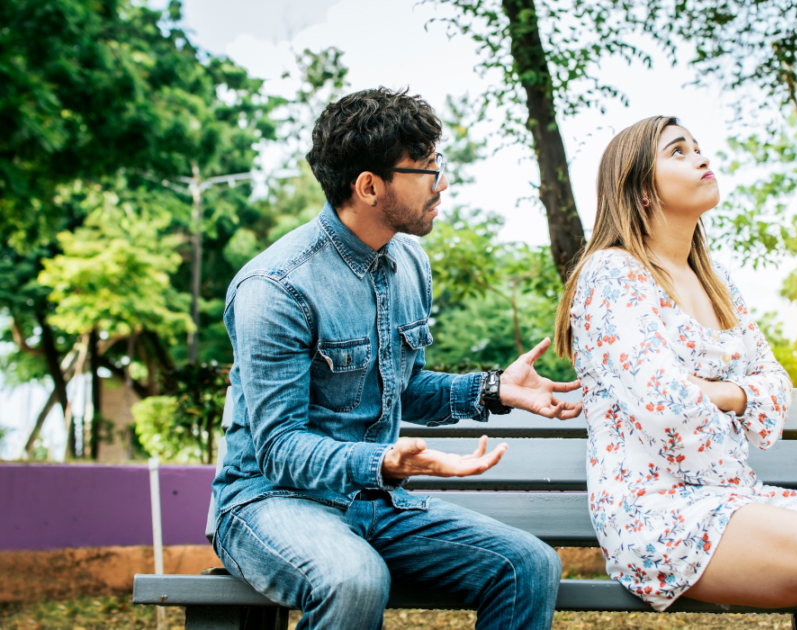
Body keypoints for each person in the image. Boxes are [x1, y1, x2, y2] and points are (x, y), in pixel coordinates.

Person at [211, 87, 583, 630]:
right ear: (369, 186)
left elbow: (401, 386)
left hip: (373, 501)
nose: (442, 182)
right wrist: (381, 463)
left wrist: (494, 389)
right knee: (355, 580)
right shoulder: (277, 288)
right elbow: (279, 451)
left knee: (527, 565)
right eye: (426, 169)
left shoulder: (409, 261)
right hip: (267, 502)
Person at [554, 115, 797, 627]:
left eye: (697, 146)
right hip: (658, 514)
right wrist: (731, 391)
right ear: (640, 190)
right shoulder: (612, 273)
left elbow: (776, 385)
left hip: (735, 495)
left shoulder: (716, 283)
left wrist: (727, 394)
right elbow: (663, 403)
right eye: (677, 151)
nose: (701, 157)